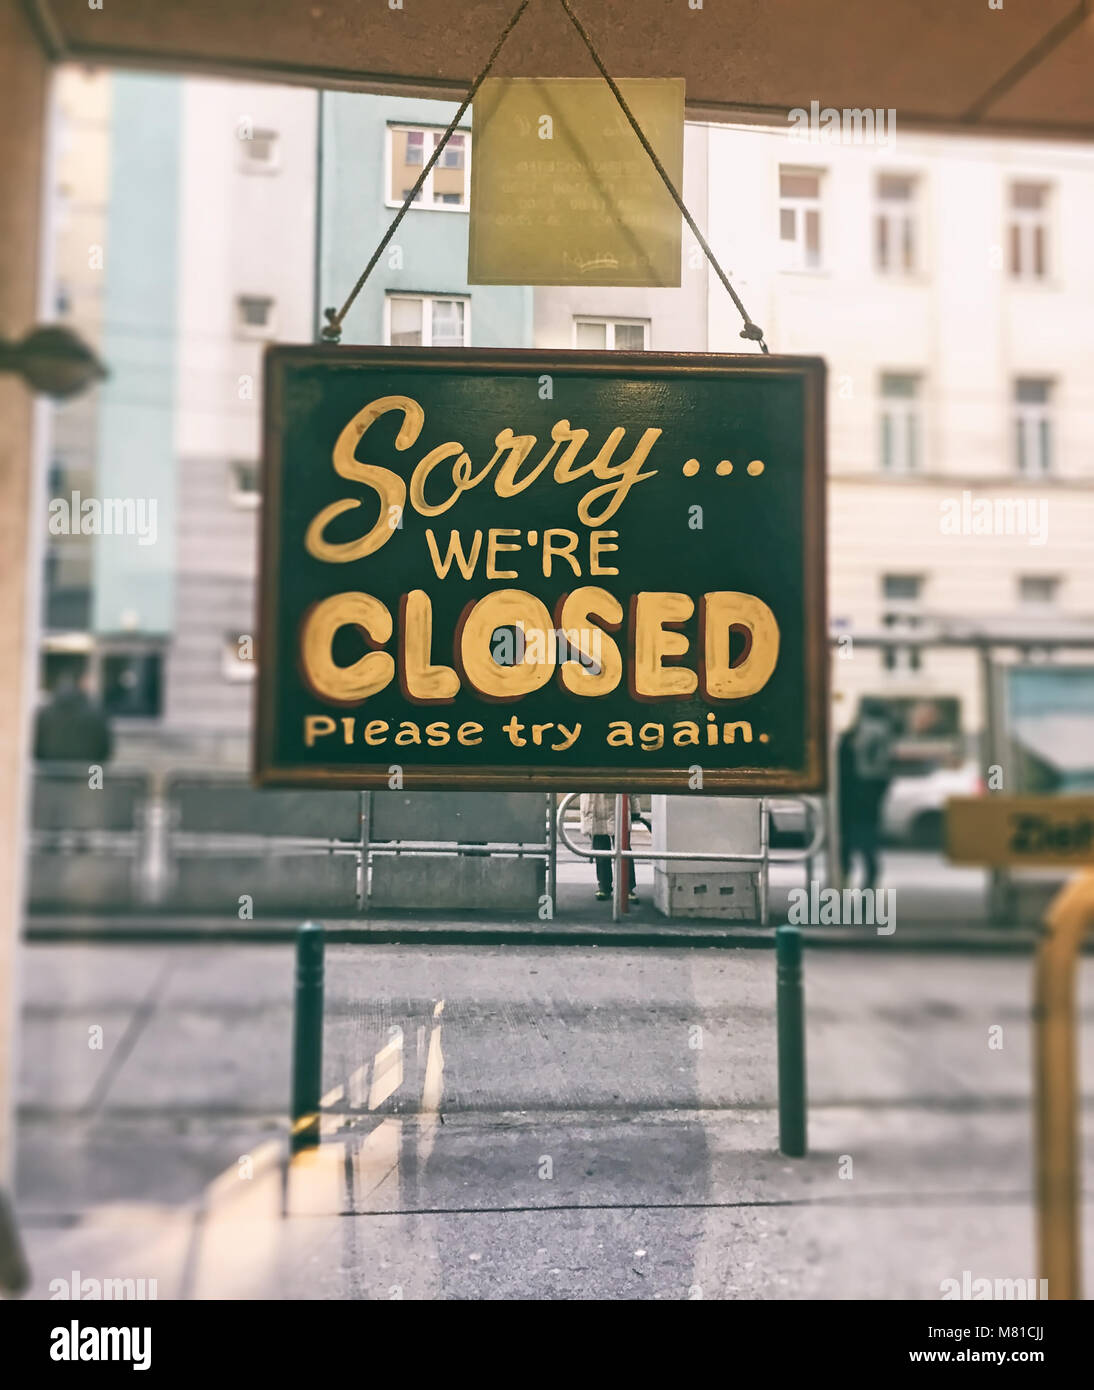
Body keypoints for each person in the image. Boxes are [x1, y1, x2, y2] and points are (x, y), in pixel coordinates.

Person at [837, 698, 894, 890]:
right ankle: (868, 880)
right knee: (867, 840)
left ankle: (845, 878)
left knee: (847, 839)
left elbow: (843, 762)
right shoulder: (885, 732)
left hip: (852, 792)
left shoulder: (858, 733)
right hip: (869, 792)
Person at [33, 672, 113, 763]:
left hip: (49, 770)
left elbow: (37, 748)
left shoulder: (45, 714)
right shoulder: (96, 714)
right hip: (86, 771)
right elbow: (104, 750)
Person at [580, 793, 645, 902]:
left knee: (608, 850)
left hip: (596, 807)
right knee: (619, 850)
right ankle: (625, 887)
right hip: (613, 806)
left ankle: (608, 887)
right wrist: (635, 809)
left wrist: (635, 809)